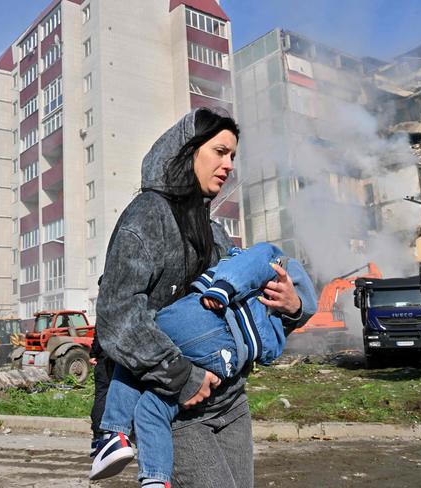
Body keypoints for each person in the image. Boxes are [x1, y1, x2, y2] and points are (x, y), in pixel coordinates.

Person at [94, 108, 310, 488]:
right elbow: (119, 315)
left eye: (233, 157)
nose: (228, 165)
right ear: (188, 151)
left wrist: (292, 307)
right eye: (220, 151)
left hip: (231, 403)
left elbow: (244, 311)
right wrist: (182, 376)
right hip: (175, 404)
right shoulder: (147, 216)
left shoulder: (214, 231)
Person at [91, 242, 316, 483]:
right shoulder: (272, 310)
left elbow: (256, 259)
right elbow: (270, 348)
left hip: (203, 325)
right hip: (223, 361)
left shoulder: (275, 261)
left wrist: (223, 288)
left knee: (139, 346)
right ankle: (155, 479)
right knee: (150, 406)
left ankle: (114, 434)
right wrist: (296, 309)